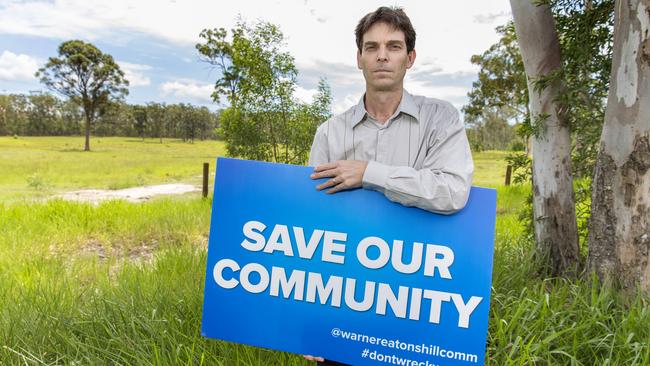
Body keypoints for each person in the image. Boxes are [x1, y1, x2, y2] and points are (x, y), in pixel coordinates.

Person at [304, 6, 474, 365]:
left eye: (394, 46)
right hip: (343, 303)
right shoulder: (330, 132)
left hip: (413, 306)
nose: (382, 55)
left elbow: (453, 191)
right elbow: (313, 227)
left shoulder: (441, 119)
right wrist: (310, 325)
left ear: (410, 58)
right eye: (372, 47)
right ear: (359, 58)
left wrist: (369, 173)